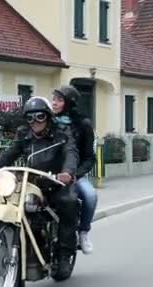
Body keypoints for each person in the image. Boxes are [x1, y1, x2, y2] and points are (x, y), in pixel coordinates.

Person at [0, 96, 80, 280]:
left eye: (40, 116)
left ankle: (65, 254)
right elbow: (9, 154)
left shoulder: (62, 132)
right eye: (31, 117)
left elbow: (70, 152)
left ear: (48, 117)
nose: (35, 122)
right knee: (4, 199)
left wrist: (67, 172)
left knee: (69, 202)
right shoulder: (24, 134)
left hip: (56, 182)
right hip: (31, 181)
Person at [51, 85, 97, 255]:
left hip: (74, 174)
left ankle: (83, 232)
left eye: (59, 100)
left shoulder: (83, 125)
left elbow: (90, 157)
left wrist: (76, 174)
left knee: (90, 195)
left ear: (69, 103)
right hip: (47, 172)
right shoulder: (47, 120)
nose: (54, 103)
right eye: (54, 99)